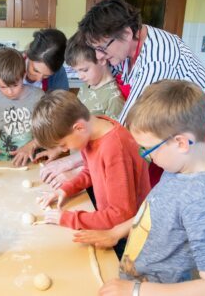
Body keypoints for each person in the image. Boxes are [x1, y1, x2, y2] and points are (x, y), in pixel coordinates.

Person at [74, 80, 205, 296]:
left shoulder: (201, 201)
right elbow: (155, 212)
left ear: (181, 143)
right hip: (134, 282)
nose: (148, 156)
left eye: (150, 149)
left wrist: (135, 290)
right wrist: (116, 232)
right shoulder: (177, 169)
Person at [78, 0, 205, 178]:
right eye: (95, 49)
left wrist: (75, 161)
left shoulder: (157, 59)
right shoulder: (125, 46)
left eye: (102, 48)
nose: (99, 57)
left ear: (126, 33)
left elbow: (126, 126)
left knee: (198, 191)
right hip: (178, 123)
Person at [32, 90, 150, 258]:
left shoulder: (114, 148)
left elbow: (121, 215)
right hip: (110, 224)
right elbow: (91, 171)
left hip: (129, 235)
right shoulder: (92, 130)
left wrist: (68, 219)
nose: (65, 150)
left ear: (78, 127)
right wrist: (64, 190)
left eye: (63, 144)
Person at [39, 31, 125, 189]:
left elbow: (109, 150)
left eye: (84, 70)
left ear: (102, 59)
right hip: (81, 171)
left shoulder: (114, 99)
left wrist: (76, 172)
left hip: (95, 178)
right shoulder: (87, 86)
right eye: (76, 71)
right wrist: (58, 149)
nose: (80, 76)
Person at [0, 29, 69, 166]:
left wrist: (34, 144)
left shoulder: (57, 74)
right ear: (28, 55)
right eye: (35, 70)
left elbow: (60, 117)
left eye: (46, 76)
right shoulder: (6, 67)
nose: (38, 78)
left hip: (38, 148)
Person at [0, 47, 44, 161]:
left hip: (33, 159)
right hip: (3, 160)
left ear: (23, 75)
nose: (10, 92)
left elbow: (46, 131)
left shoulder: (39, 97)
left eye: (15, 85)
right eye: (3, 87)